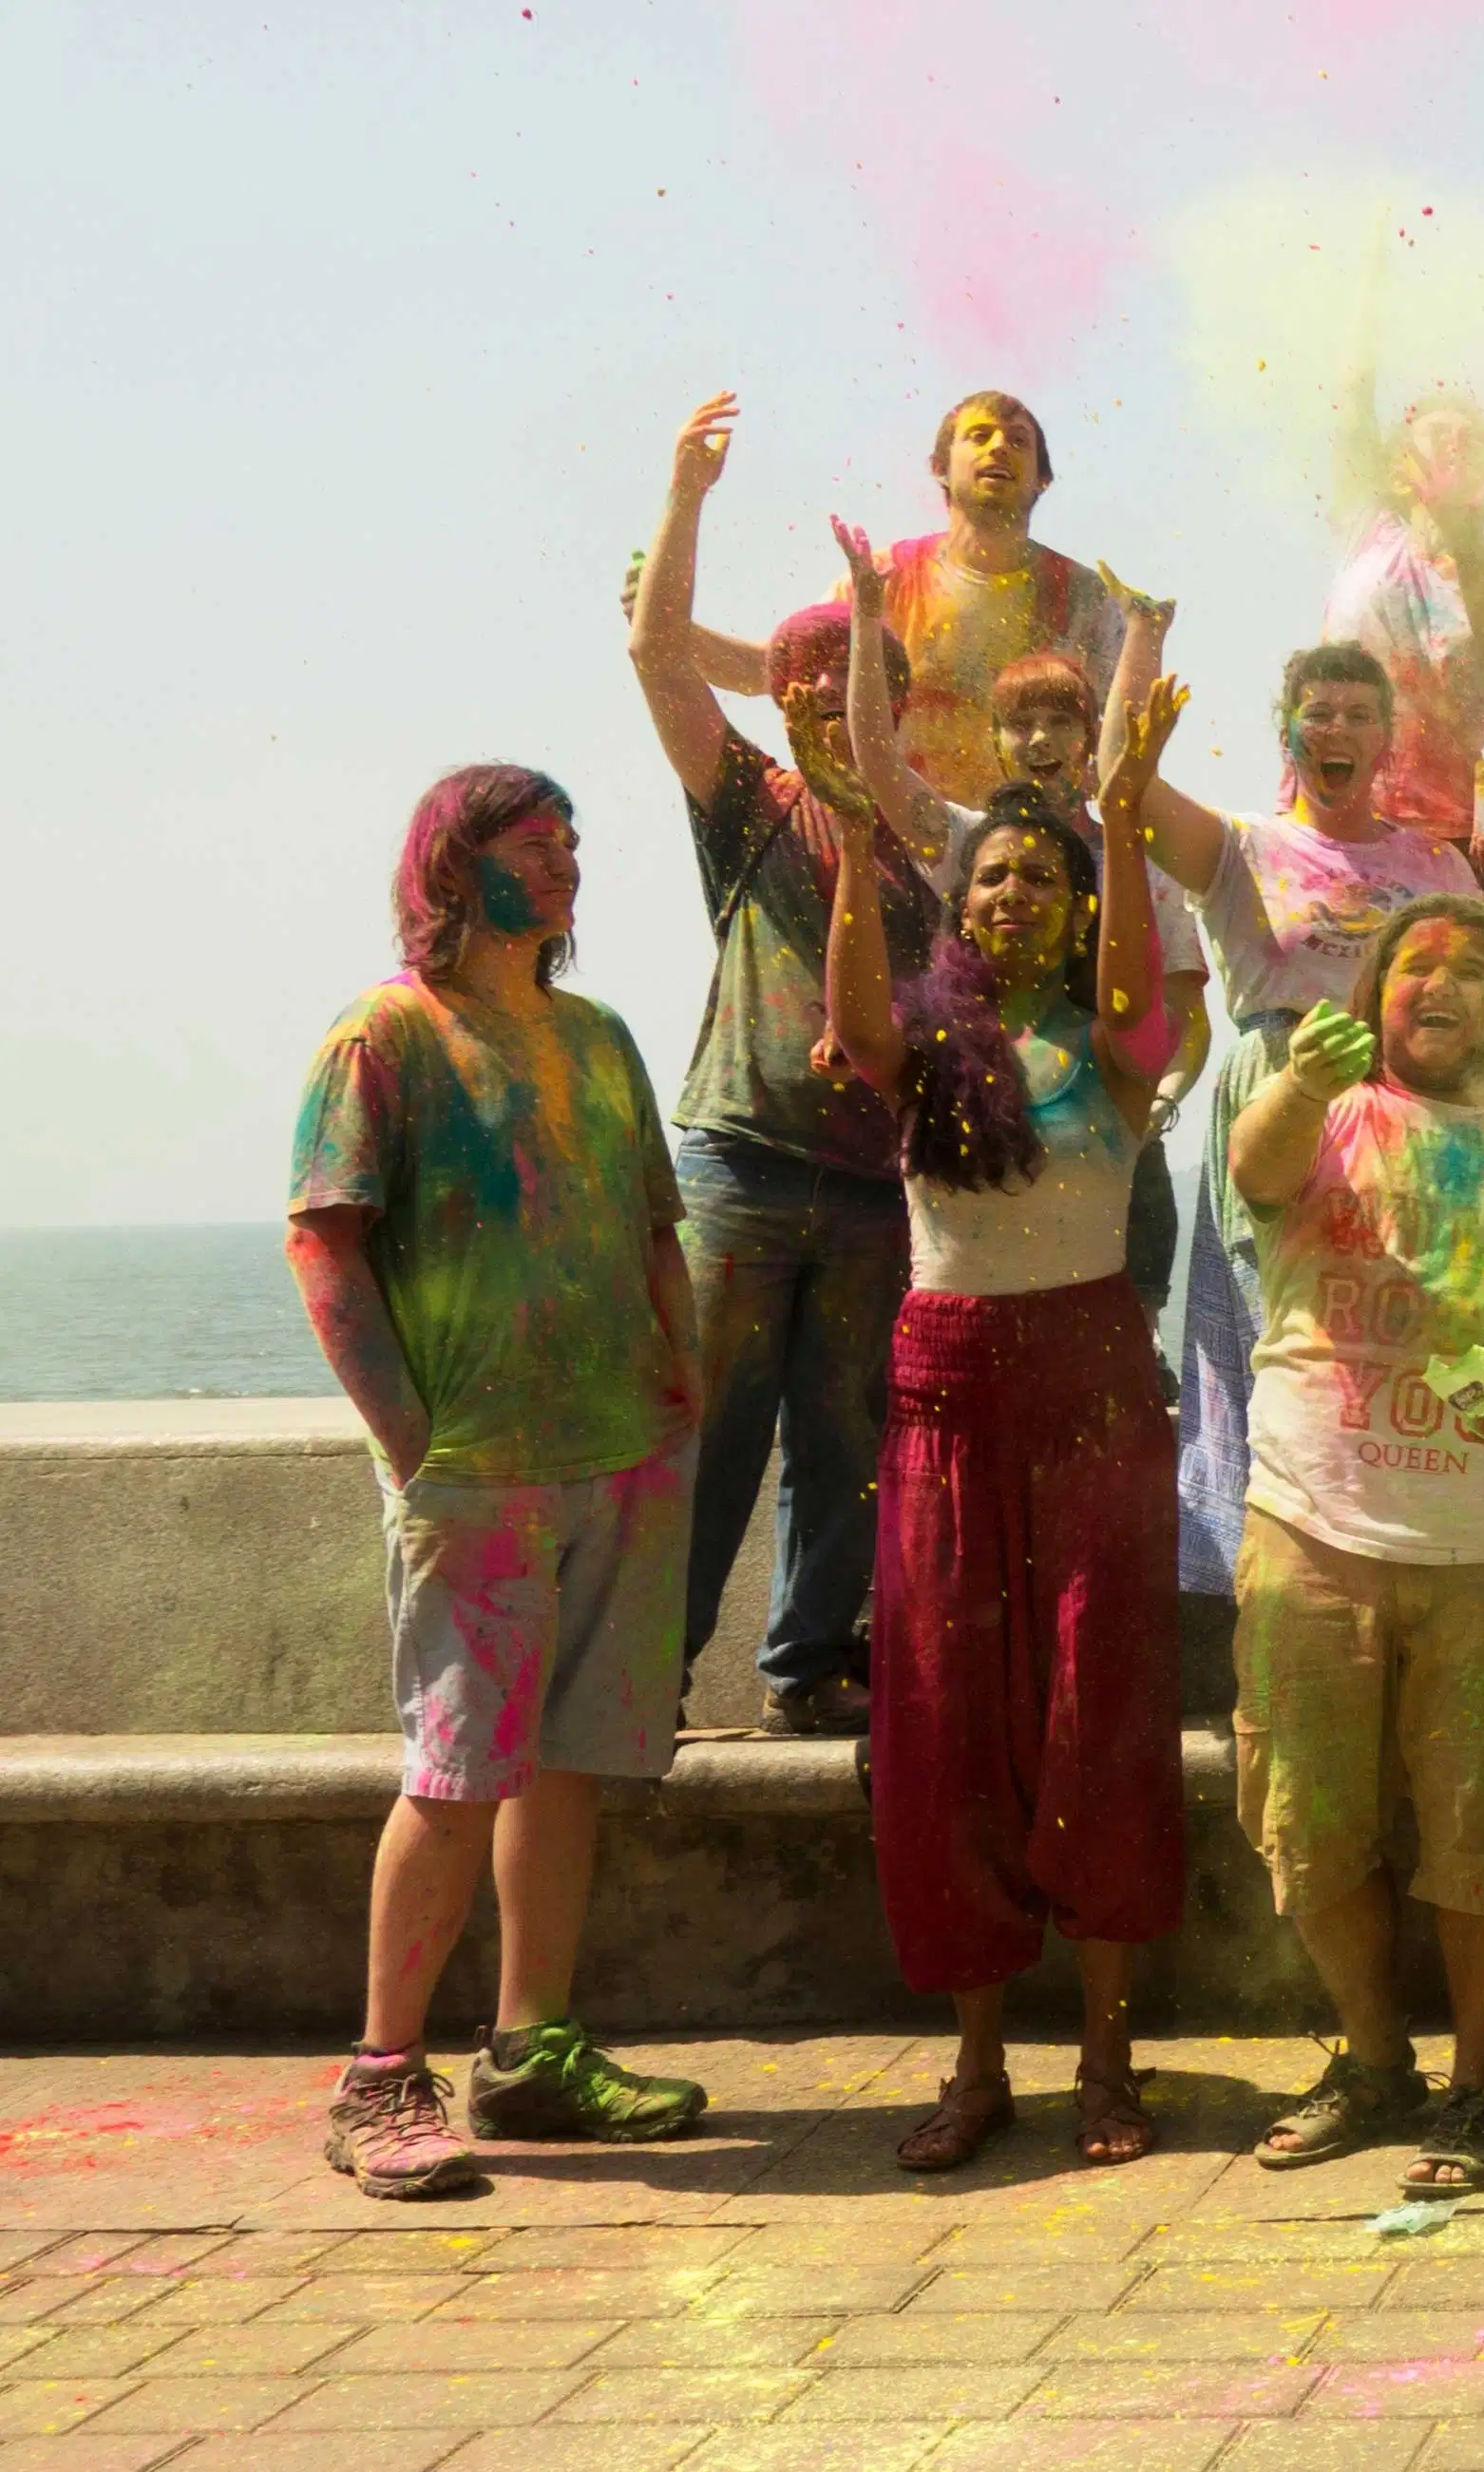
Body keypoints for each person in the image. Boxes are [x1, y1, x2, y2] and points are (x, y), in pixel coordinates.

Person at [819, 543, 1196, 2173]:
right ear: (959, 908)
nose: (1012, 895)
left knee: (1096, 1712)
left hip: (1095, 1384)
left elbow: (1133, 983)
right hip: (947, 1390)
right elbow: (853, 1012)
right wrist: (850, 832)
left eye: (1040, 881)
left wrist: (1115, 811)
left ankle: (1110, 2059)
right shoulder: (929, 1048)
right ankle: (979, 2063)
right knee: (945, 1717)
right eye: (991, 881)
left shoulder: (1117, 1048)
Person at [289, 762, 712, 2199]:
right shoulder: (386, 1037)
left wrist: (681, 1377)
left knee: (572, 1757)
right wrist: (412, 1439)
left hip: (618, 1455)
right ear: (455, 869)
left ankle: (535, 2048)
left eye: (575, 841)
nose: (571, 861)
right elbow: (325, 1246)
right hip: (476, 1474)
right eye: (540, 842)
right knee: (459, 1769)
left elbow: (657, 1226)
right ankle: (380, 2077)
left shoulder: (597, 1037)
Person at [1224, 893, 1484, 2195]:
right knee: (1311, 1817)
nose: (1440, 984)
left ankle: (1479, 2090)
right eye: (1414, 963)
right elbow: (1252, 1165)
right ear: (1374, 995)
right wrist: (1298, 1078)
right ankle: (1369, 2055)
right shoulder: (1322, 1108)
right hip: (1314, 1523)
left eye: (1472, 970)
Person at [626, 391, 941, 1739]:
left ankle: (808, 1664)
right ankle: (643, 1676)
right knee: (706, 1436)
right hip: (744, 1164)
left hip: (877, 1188)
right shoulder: (750, 804)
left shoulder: (936, 840)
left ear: (895, 694)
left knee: (846, 1446)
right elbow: (656, 656)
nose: (819, 686)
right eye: (800, 667)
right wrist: (687, 496)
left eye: (848, 665)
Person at [1148, 644, 1484, 1604]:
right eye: (1320, 712)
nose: (1339, 730)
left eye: (1360, 714)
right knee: (1292, 1341)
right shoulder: (1242, 844)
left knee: (1394, 1328)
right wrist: (1145, 647)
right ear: (1289, 729)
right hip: (1285, 1089)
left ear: (1388, 738)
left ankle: (1400, 1555)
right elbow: (1126, 794)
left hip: (1412, 1111)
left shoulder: (1434, 857)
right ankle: (1279, 1578)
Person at [841, 630, 1213, 1329]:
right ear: (996, 740)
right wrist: (866, 604)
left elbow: (1187, 1018)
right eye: (1019, 723)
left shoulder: (1138, 863)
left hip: (1113, 1143)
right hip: (984, 1140)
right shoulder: (974, 843)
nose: (1040, 738)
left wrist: (1153, 1102)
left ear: (1090, 737)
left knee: (1117, 1344)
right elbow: (874, 763)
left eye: (1061, 721)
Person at [641, 390, 1139, 808]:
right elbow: (772, 673)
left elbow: (1121, 743)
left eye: (1018, 441)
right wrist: (662, 622)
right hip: (898, 853)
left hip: (1027, 871)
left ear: (1042, 479)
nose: (999, 448)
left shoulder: (1084, 599)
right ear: (940, 468)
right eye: (980, 435)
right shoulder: (885, 578)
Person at [1321, 371, 1484, 896]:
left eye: (1470, 440)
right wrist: (1370, 289)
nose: (1456, 447)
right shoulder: (1368, 533)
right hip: (1336, 827)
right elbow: (1355, 398)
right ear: (1398, 471)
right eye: (1439, 437)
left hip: (1453, 852)